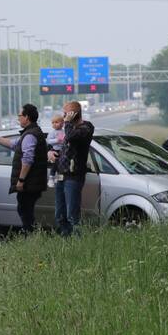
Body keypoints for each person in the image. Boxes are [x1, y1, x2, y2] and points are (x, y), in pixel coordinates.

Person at [0, 103, 48, 235]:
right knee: (25, 210)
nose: (18, 118)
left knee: (25, 211)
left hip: (29, 183)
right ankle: (31, 236)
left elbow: (27, 160)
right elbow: (14, 145)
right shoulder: (32, 132)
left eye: (20, 115)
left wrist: (21, 180)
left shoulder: (30, 135)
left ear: (27, 117)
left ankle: (31, 238)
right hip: (33, 182)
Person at [47, 100, 94, 236]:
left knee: (72, 214)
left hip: (74, 176)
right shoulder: (66, 128)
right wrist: (49, 151)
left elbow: (71, 138)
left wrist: (67, 122)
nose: (63, 116)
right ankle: (65, 241)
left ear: (74, 113)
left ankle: (76, 242)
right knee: (59, 214)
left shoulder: (86, 128)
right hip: (60, 175)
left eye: (66, 113)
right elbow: (56, 143)